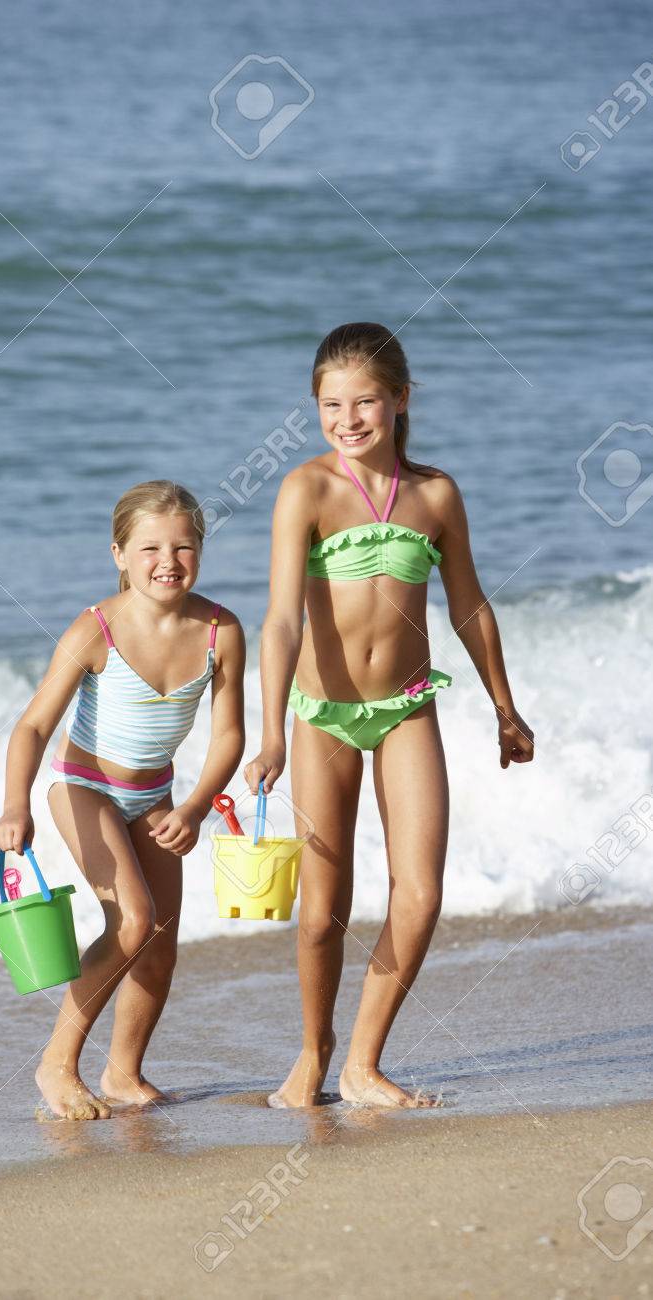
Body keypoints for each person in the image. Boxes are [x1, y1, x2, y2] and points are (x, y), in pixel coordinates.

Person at [244, 323, 534, 1108]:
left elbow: (469, 604)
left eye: (365, 400)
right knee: (321, 913)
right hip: (323, 714)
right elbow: (279, 622)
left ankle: (363, 1063)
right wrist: (270, 729)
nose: (349, 418)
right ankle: (314, 1050)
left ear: (401, 400)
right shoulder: (306, 489)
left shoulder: (435, 495)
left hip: (407, 707)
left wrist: (504, 705)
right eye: (331, 404)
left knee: (421, 892)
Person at [0, 480, 245, 1119]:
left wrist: (192, 808)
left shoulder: (220, 630)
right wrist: (14, 805)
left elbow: (230, 735)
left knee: (159, 939)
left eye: (184, 547)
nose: (168, 562)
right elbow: (31, 727)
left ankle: (123, 1073)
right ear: (119, 554)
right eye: (150, 548)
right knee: (130, 921)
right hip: (83, 789)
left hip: (156, 795)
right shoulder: (96, 628)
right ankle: (56, 1065)